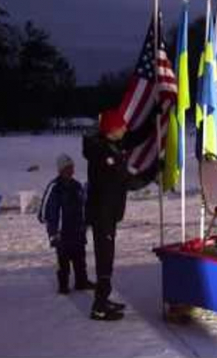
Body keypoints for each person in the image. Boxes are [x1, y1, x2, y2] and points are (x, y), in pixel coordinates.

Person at [83, 109, 154, 321]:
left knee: (107, 256)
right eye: (121, 126)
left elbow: (133, 138)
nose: (125, 128)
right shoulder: (105, 155)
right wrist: (152, 172)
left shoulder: (109, 145)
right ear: (112, 130)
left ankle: (103, 299)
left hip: (108, 212)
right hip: (102, 213)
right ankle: (99, 306)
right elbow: (128, 181)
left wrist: (152, 118)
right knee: (105, 257)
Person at [38, 153, 96, 296]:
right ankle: (63, 285)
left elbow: (84, 205)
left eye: (72, 167)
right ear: (61, 169)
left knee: (79, 258)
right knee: (63, 260)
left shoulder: (77, 186)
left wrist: (86, 222)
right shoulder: (54, 186)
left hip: (77, 230)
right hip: (61, 232)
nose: (71, 170)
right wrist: (53, 229)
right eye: (68, 168)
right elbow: (44, 211)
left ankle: (81, 282)